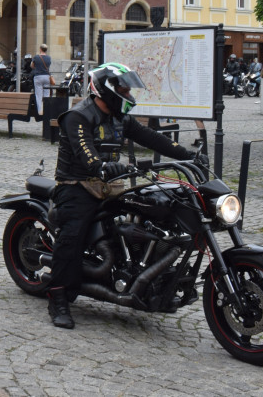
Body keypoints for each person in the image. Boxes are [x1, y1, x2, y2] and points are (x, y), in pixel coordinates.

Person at [47, 63, 203, 330]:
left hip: (110, 184)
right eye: (124, 88)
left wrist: (188, 156)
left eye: (129, 89)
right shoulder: (79, 116)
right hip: (77, 184)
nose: (128, 94)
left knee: (152, 212)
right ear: (106, 89)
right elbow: (85, 152)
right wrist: (101, 166)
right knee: (73, 233)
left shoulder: (120, 117)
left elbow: (152, 138)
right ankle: (58, 296)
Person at [31, 44, 53, 115]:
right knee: (46, 93)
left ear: (40, 49)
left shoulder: (36, 57)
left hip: (38, 76)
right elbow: (48, 65)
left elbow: (32, 66)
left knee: (38, 95)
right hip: (47, 76)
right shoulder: (49, 58)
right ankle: (46, 110)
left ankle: (40, 111)